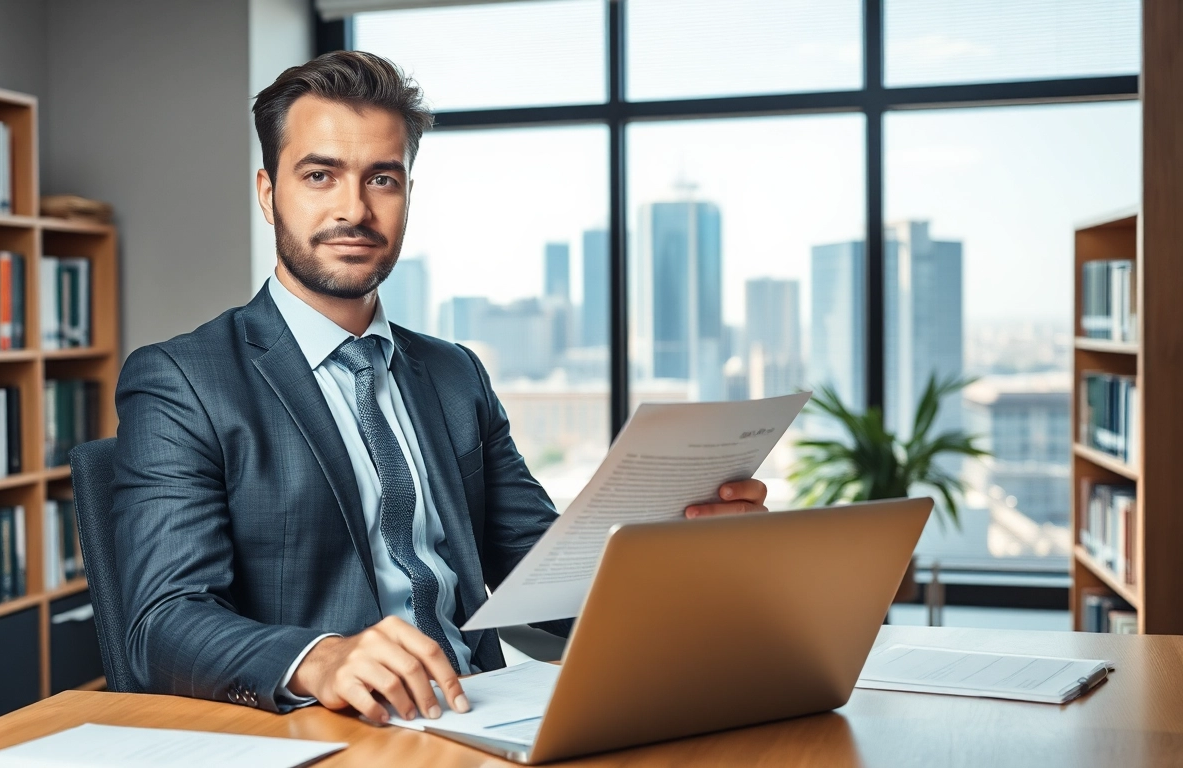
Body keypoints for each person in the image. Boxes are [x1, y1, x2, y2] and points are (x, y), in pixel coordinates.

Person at [111, 50, 769, 726]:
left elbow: (546, 582)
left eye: (383, 179)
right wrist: (321, 657)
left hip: (481, 717)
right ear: (267, 190)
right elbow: (161, 621)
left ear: (406, 195)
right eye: (319, 175)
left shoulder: (455, 375)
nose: (354, 209)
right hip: (329, 730)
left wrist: (688, 558)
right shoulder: (184, 381)